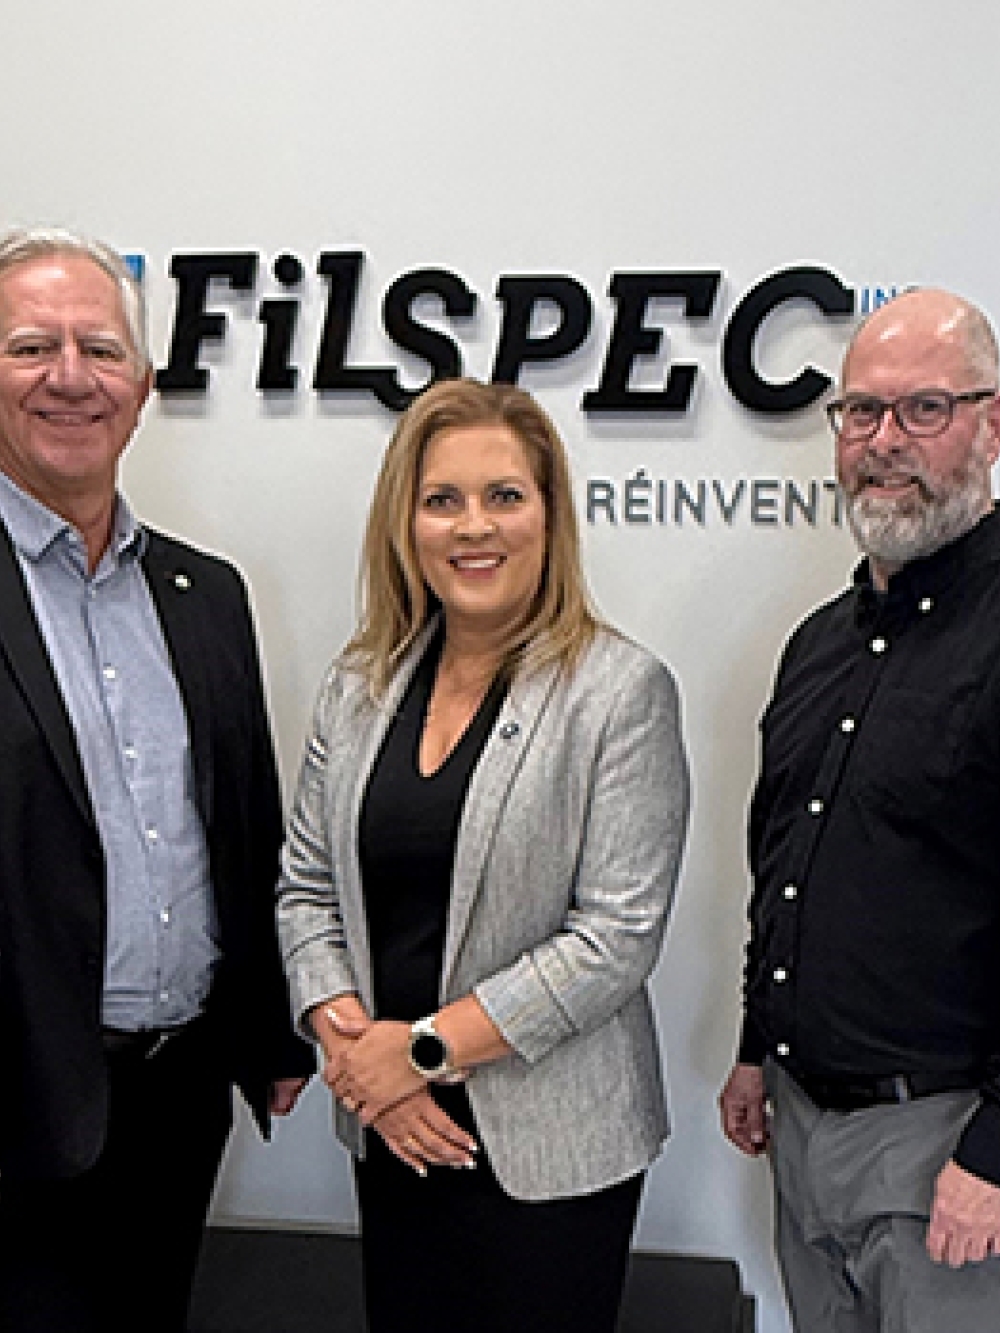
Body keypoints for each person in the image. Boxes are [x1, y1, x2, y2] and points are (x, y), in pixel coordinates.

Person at [277, 377, 689, 1333]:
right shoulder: (359, 684)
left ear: (549, 515)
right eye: (443, 499)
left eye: (505, 495)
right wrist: (355, 1055)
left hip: (551, 1155)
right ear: (405, 523)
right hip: (392, 1130)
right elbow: (305, 885)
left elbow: (615, 938)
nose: (476, 527)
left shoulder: (620, 691)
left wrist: (419, 1050)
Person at [0, 226, 313, 1333]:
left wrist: (270, 1032)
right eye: (33, 346)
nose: (70, 377)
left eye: (100, 349)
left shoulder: (204, 593)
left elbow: (243, 826)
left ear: (139, 390)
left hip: (179, 1102)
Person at [719, 287, 1000, 1331]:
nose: (885, 443)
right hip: (801, 1125)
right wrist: (756, 1044)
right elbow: (782, 863)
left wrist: (993, 1155)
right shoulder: (815, 645)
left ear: (992, 422)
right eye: (860, 413)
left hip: (947, 1147)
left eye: (924, 409)